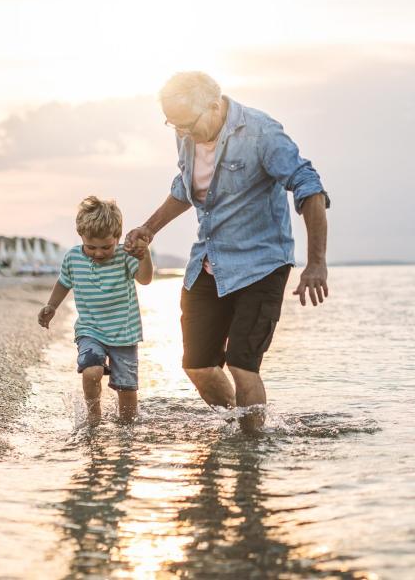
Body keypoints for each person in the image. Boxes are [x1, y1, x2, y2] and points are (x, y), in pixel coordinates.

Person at [124, 71, 329, 433]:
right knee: (197, 365)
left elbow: (309, 187)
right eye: (174, 124)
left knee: (242, 364)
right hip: (209, 260)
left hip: (262, 263)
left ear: (215, 105)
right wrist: (149, 228)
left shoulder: (261, 133)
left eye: (188, 123)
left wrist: (316, 264)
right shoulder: (185, 134)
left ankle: (251, 456)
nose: (182, 132)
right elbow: (184, 186)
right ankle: (243, 427)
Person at [39, 196, 154, 424]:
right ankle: (93, 416)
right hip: (90, 329)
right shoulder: (73, 257)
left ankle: (126, 437)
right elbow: (64, 282)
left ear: (117, 238)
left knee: (127, 394)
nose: (98, 253)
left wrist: (145, 255)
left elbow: (145, 279)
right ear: (81, 236)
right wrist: (52, 305)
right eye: (91, 247)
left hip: (125, 333)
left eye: (106, 247)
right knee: (91, 372)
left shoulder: (125, 256)